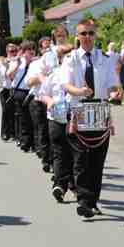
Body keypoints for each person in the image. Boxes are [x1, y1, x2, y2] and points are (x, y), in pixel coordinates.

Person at [63, 19, 120, 218]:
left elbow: (113, 84)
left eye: (90, 33)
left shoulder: (104, 58)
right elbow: (66, 85)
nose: (87, 37)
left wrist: (114, 94)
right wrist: (80, 91)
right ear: (77, 37)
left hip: (100, 111)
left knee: (97, 160)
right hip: (79, 110)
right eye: (83, 34)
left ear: (95, 36)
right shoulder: (71, 59)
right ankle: (84, 201)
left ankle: (93, 201)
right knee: (81, 159)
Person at [39, 44, 75, 202]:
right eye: (66, 58)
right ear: (60, 60)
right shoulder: (54, 75)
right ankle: (59, 186)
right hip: (56, 118)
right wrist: (49, 101)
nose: (69, 61)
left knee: (75, 154)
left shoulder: (79, 74)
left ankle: (75, 186)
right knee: (60, 152)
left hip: (76, 119)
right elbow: (42, 94)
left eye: (71, 58)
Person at [25, 37, 55, 172]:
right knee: (42, 130)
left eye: (50, 47)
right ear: (40, 50)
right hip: (39, 101)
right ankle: (46, 159)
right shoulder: (35, 64)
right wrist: (39, 77)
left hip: (55, 102)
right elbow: (29, 82)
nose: (47, 50)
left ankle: (55, 159)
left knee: (54, 132)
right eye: (45, 48)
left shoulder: (59, 62)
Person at [7, 41, 36, 152]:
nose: (32, 52)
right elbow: (9, 75)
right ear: (23, 52)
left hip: (32, 92)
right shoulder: (18, 62)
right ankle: (25, 141)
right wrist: (18, 65)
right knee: (23, 117)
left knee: (33, 118)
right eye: (29, 50)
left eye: (33, 49)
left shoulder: (36, 62)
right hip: (20, 92)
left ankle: (33, 143)